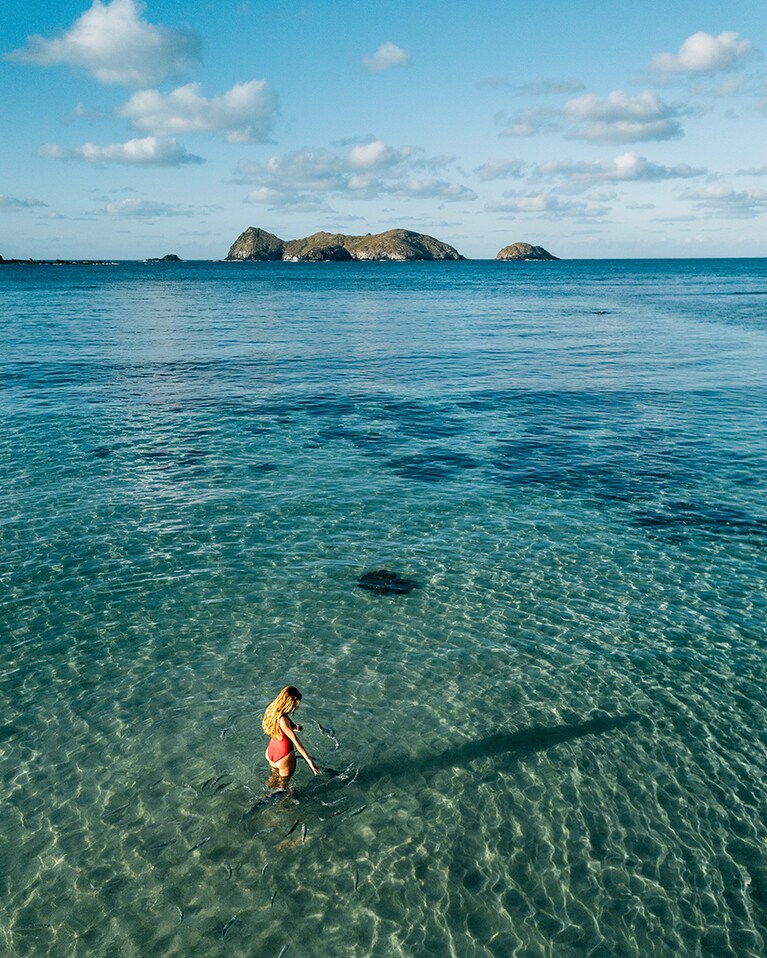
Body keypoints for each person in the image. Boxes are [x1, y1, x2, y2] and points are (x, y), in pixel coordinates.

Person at [263, 686, 319, 785]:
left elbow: (283, 726)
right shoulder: (283, 720)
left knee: (274, 778)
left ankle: (266, 795)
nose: (296, 708)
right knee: (283, 786)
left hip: (271, 752)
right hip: (283, 756)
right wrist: (309, 761)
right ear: (290, 703)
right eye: (295, 705)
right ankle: (283, 798)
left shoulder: (273, 711)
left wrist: (295, 727)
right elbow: (296, 742)